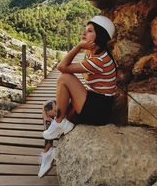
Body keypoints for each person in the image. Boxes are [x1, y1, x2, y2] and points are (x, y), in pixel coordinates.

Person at [38, 15, 117, 177]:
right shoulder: (92, 54)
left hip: (99, 108)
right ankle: (47, 153)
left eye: (89, 31)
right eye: (85, 30)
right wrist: (83, 48)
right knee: (47, 107)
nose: (84, 34)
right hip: (90, 100)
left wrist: (78, 47)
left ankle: (60, 123)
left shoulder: (100, 60)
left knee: (64, 79)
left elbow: (62, 67)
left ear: (99, 36)